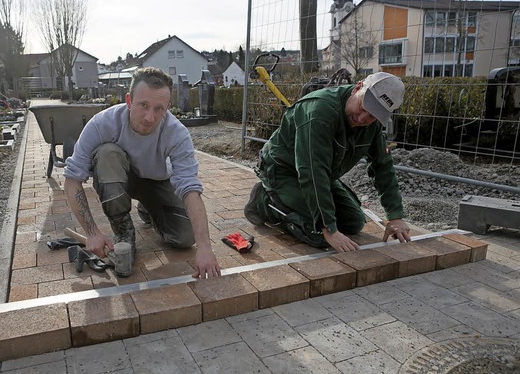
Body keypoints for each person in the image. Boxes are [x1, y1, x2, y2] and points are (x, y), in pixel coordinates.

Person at [63, 67, 221, 279]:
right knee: (107, 153)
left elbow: (190, 188)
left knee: (184, 237)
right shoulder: (102, 124)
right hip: (119, 179)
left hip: (158, 182)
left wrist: (204, 247)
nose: (149, 117)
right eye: (143, 105)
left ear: (168, 107)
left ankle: (149, 209)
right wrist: (92, 232)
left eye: (158, 109)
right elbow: (72, 180)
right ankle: (123, 229)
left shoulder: (177, 134)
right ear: (129, 101)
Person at [244, 72, 411, 253]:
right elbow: (311, 172)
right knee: (317, 232)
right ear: (357, 88)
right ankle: (263, 201)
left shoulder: (372, 126)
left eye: (372, 116)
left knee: (353, 222)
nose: (363, 119)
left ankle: (302, 206)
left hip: (322, 173)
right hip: (282, 170)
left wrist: (395, 216)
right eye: (363, 107)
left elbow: (383, 167)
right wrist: (328, 229)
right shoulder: (319, 112)